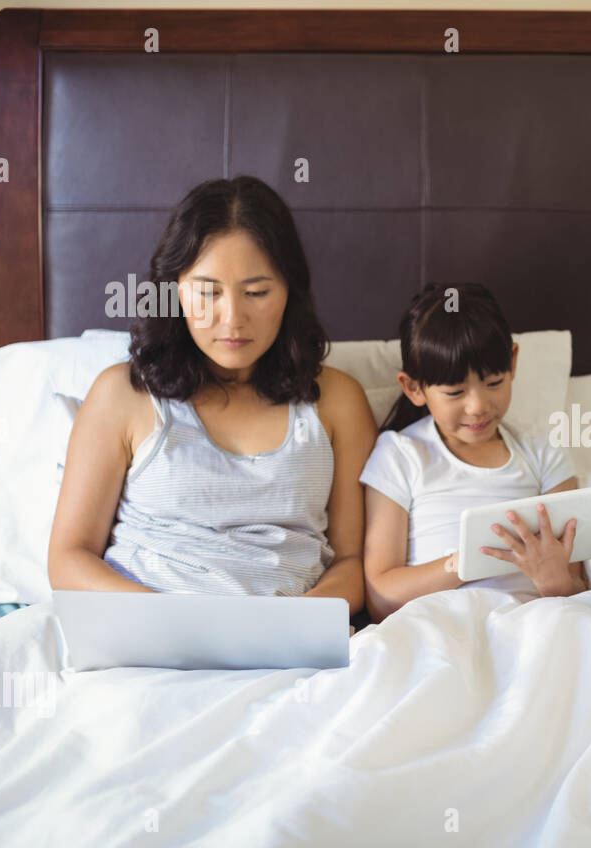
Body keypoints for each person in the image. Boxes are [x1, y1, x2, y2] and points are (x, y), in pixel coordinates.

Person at [48, 176, 377, 612]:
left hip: (286, 649)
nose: (233, 319)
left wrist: (297, 625)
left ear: (289, 292)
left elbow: (352, 563)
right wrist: (178, 622)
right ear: (174, 290)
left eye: (256, 292)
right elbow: (68, 559)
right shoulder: (122, 395)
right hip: (148, 637)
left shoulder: (338, 401)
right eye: (207, 293)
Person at [360, 283, 587, 622]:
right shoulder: (401, 455)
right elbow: (380, 596)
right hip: (440, 626)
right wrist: (463, 562)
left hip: (531, 625)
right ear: (413, 388)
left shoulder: (544, 457)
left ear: (512, 362)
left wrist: (553, 580)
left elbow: (577, 587)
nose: (478, 406)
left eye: (494, 382)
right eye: (454, 392)